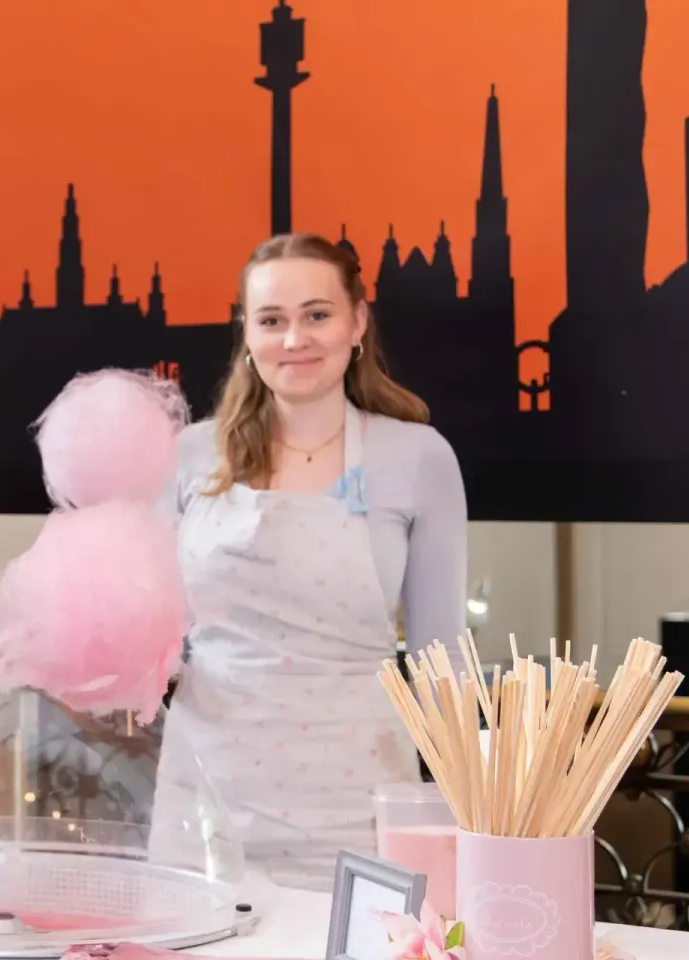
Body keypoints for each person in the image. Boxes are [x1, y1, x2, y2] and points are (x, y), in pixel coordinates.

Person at [153, 233, 467, 892]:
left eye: (316, 314)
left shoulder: (419, 457)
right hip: (204, 798)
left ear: (357, 322)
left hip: (357, 800)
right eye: (272, 320)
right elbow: (146, 631)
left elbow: (443, 660)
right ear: (247, 334)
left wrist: (475, 810)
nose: (295, 338)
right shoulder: (185, 457)